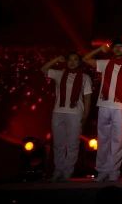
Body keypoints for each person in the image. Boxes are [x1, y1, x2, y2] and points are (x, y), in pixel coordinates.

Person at [83, 39, 122, 182]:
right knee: (103, 139)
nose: (118, 49)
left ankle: (114, 170)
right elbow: (85, 59)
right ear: (112, 49)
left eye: (121, 47)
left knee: (118, 140)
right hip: (104, 104)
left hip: (121, 106)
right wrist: (99, 49)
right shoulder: (105, 63)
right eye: (116, 47)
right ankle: (102, 171)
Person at [42, 51, 93, 181]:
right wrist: (56, 59)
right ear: (66, 61)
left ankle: (67, 171)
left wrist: (86, 115)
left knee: (72, 144)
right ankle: (58, 170)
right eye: (70, 59)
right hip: (58, 112)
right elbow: (43, 69)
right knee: (58, 144)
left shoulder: (85, 77)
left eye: (75, 60)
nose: (72, 62)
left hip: (75, 113)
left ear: (79, 62)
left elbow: (87, 98)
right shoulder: (59, 74)